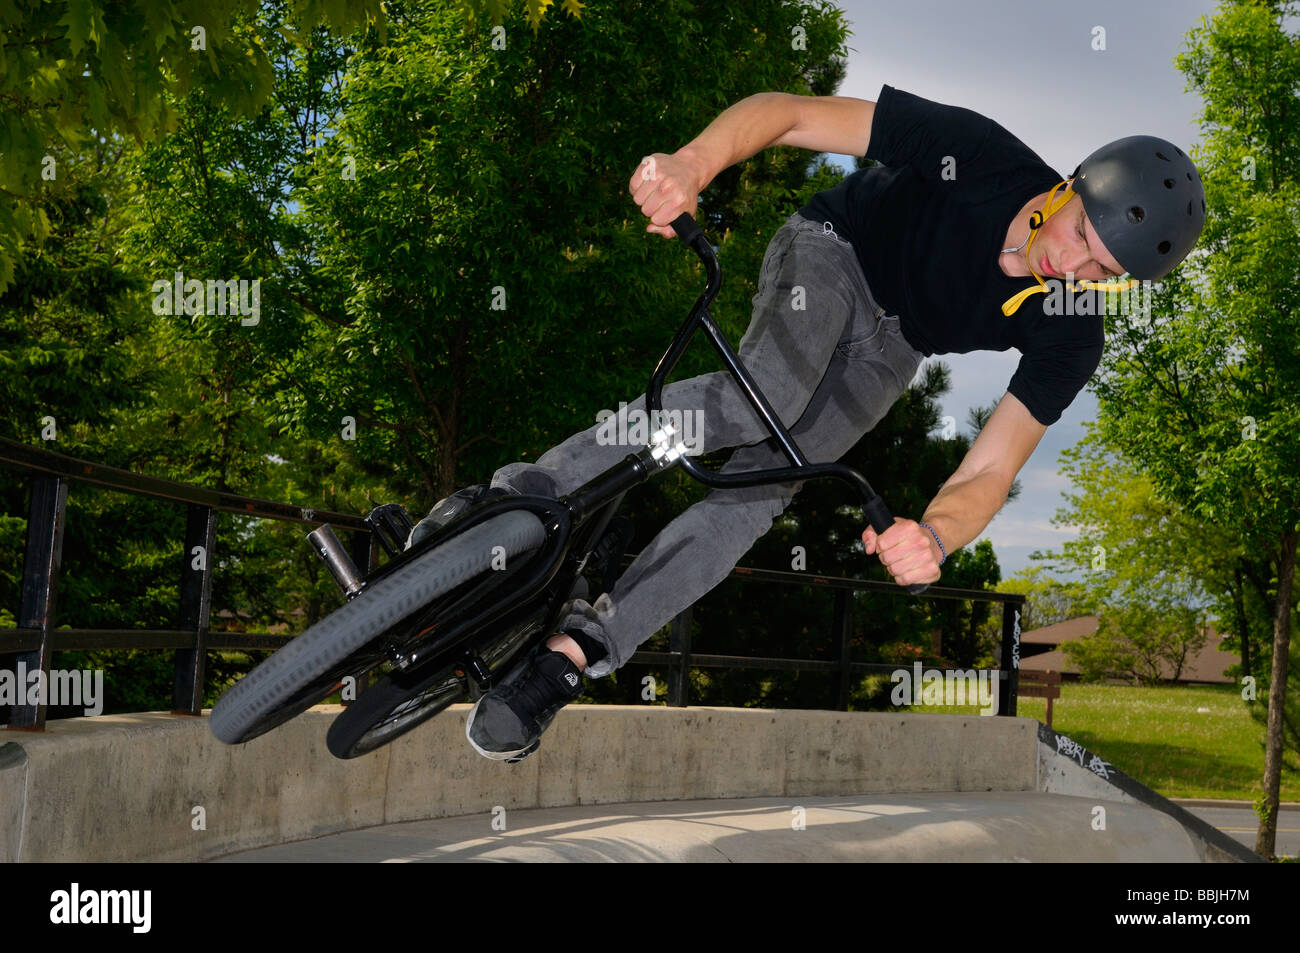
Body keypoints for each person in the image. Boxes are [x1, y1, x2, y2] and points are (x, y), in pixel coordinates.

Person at [408, 85, 1206, 763]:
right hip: (835, 251)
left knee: (762, 489)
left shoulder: (1071, 328)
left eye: (1104, 272)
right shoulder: (978, 153)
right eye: (1080, 240)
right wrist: (692, 164)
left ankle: (573, 651)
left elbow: (990, 470)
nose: (1074, 270)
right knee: (768, 395)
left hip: (894, 348)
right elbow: (788, 114)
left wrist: (935, 535)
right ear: (1066, 190)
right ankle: (515, 498)